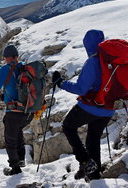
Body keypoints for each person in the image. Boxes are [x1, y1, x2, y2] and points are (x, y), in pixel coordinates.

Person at [52, 29, 113, 181]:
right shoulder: (111, 60)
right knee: (93, 139)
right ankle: (93, 175)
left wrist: (61, 83)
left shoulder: (93, 61)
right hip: (108, 109)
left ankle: (85, 162)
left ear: (87, 45)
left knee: (68, 126)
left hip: (92, 106)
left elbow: (81, 88)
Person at [0, 44, 32, 176]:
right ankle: (21, 160)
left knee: (10, 140)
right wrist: (2, 97)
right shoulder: (25, 67)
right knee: (18, 132)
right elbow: (18, 89)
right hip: (28, 111)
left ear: (6, 58)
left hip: (14, 112)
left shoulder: (5, 69)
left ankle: (15, 168)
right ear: (17, 56)